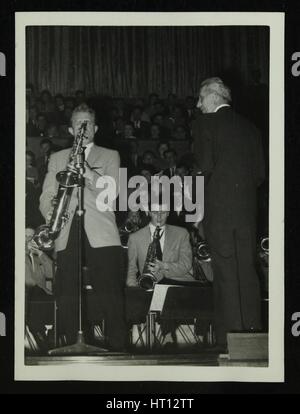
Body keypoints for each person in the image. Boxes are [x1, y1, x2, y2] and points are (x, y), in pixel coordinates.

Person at [40, 103, 127, 351]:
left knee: (110, 292)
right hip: (67, 230)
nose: (83, 128)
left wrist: (89, 173)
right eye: (79, 123)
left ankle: (118, 348)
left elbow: (114, 194)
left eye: (87, 123)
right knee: (67, 292)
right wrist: (53, 216)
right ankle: (71, 346)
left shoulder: (110, 155)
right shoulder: (57, 158)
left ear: (96, 128)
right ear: (70, 128)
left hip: (101, 232)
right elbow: (46, 195)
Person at [192, 77, 265, 351]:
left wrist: (199, 209)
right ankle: (254, 338)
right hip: (247, 211)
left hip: (218, 210)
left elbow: (204, 167)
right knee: (246, 271)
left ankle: (231, 343)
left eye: (200, 99)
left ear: (212, 98)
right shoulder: (251, 128)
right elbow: (259, 175)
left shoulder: (205, 124)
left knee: (225, 274)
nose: (198, 105)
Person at [126, 201, 194, 288]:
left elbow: (186, 264)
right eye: (155, 212)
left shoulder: (182, 233)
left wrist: (164, 265)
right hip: (148, 286)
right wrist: (134, 290)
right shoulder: (135, 238)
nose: (159, 216)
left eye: (163, 212)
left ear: (168, 213)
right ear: (149, 212)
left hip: (179, 283)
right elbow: (131, 269)